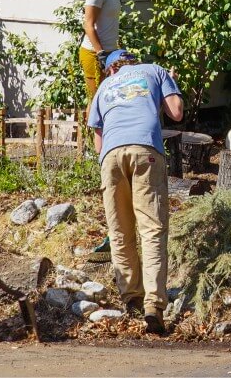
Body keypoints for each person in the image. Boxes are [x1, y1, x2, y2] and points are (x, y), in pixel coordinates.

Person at [87, 49, 182, 336]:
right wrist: (172, 85)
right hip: (146, 151)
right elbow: (176, 113)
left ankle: (132, 299)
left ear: (110, 69)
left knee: (120, 231)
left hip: (111, 158)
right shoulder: (155, 70)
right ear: (132, 63)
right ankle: (154, 305)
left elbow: (97, 145)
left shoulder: (103, 87)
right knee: (151, 230)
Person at [82, 0, 128, 263]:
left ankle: (109, 139)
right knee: (98, 100)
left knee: (113, 99)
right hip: (95, 53)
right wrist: (100, 53)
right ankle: (96, 144)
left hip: (111, 51)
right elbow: (88, 22)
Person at [81, 0, 129, 99]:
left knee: (109, 98)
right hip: (94, 54)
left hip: (110, 53)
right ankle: (89, 123)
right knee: (95, 100)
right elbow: (88, 25)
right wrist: (100, 54)